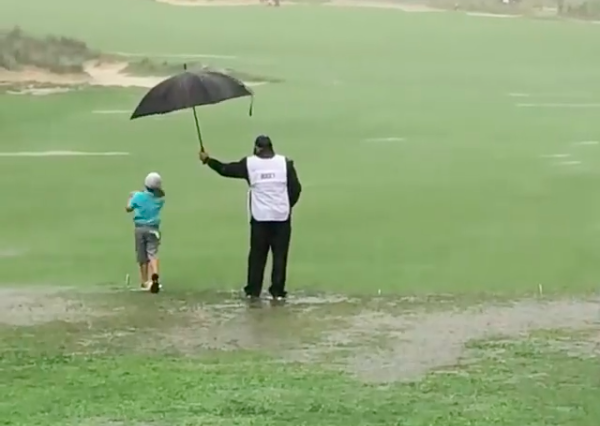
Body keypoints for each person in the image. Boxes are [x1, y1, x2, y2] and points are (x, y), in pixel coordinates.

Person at [199, 135, 302, 301]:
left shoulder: (250, 164)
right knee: (280, 257)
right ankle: (277, 292)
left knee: (257, 256)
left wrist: (208, 160)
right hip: (282, 218)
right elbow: (296, 189)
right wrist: (286, 205)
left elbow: (226, 170)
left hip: (260, 218)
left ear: (257, 148)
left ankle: (253, 291)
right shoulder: (285, 164)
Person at [126, 172, 165, 294]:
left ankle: (144, 281)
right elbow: (156, 195)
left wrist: (131, 198)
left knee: (142, 256)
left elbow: (128, 208)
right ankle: (155, 275)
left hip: (140, 228)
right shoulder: (159, 200)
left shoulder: (138, 196)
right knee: (152, 253)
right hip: (153, 229)